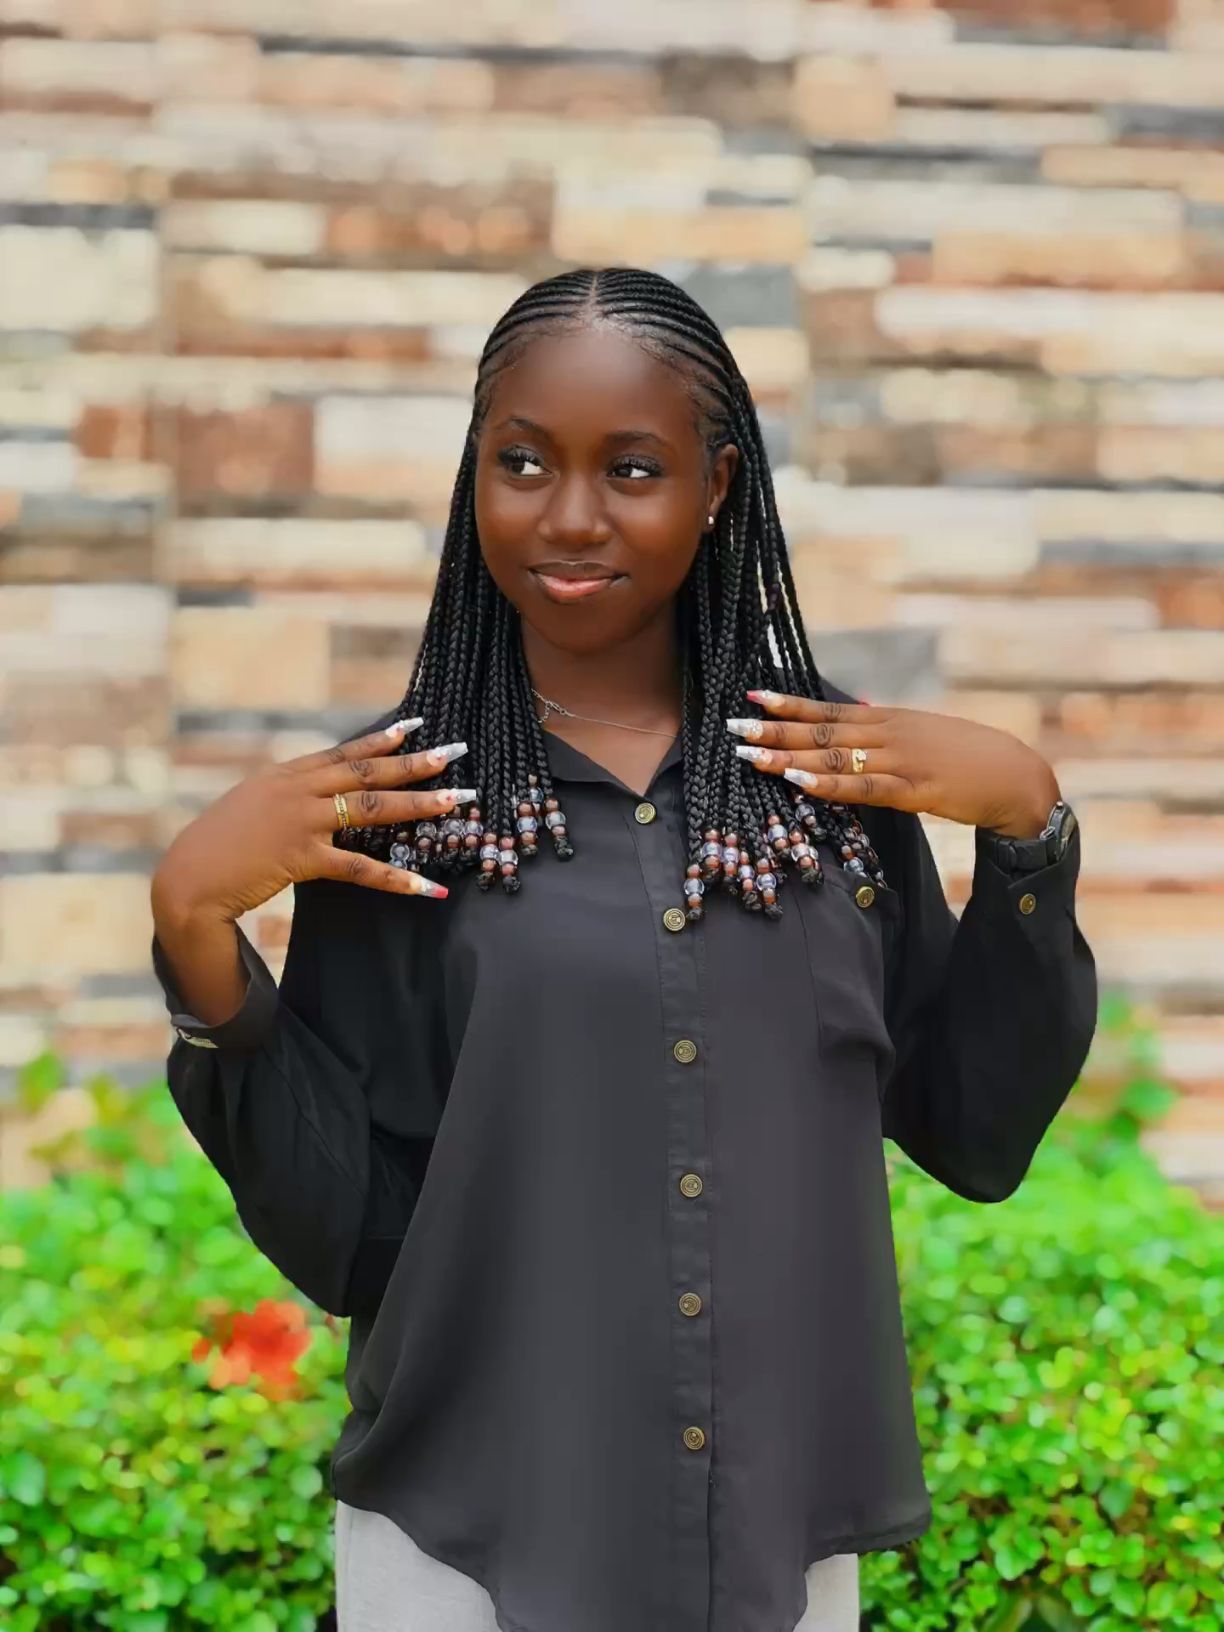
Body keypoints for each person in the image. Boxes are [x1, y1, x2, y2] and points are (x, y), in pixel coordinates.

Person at [149, 267, 1097, 1632]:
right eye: (524, 462)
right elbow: (350, 1236)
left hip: (775, 1549)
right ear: (474, 474)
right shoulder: (404, 807)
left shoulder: (830, 790)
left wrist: (1027, 826)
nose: (571, 516)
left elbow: (974, 1128)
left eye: (633, 468)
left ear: (717, 485)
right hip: (468, 1548)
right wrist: (197, 933)